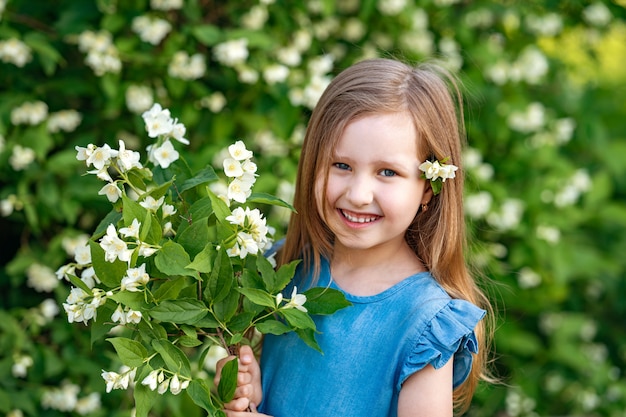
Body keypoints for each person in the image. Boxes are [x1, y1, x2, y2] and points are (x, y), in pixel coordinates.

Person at [216, 58, 493, 417]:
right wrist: (247, 395)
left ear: (428, 190)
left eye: (388, 172)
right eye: (341, 165)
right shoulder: (287, 268)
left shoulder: (424, 321)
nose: (359, 194)